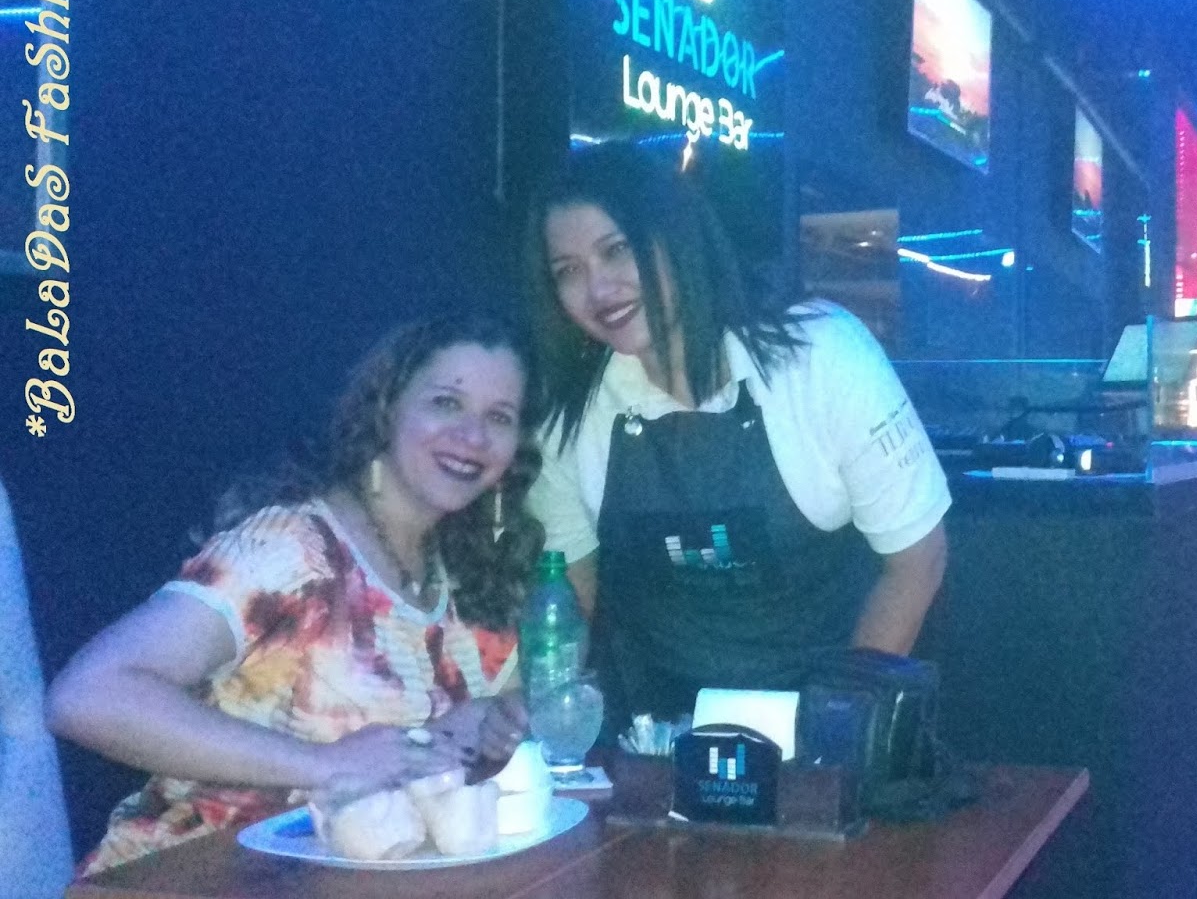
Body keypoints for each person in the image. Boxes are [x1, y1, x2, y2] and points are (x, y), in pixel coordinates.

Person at [47, 316, 539, 874]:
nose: (473, 436)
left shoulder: (464, 572)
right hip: (185, 879)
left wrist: (479, 724)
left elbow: (404, 755)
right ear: (386, 410)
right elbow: (86, 697)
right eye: (447, 403)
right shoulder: (294, 551)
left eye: (499, 417)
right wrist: (324, 763)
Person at [525, 142, 950, 723]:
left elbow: (918, 562)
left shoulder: (823, 355)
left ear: (676, 236)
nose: (598, 290)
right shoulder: (573, 416)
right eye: (568, 272)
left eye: (617, 250)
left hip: (831, 713)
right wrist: (544, 717)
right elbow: (568, 591)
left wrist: (839, 730)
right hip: (658, 734)